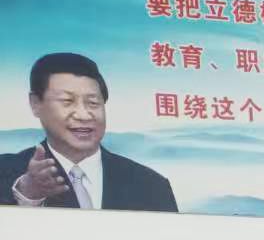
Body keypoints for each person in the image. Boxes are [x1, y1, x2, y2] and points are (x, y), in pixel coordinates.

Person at [3, 53, 177, 211]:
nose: (84, 115)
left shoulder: (152, 185)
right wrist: (28, 196)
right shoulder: (6, 172)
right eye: (67, 101)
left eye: (93, 103)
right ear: (35, 103)